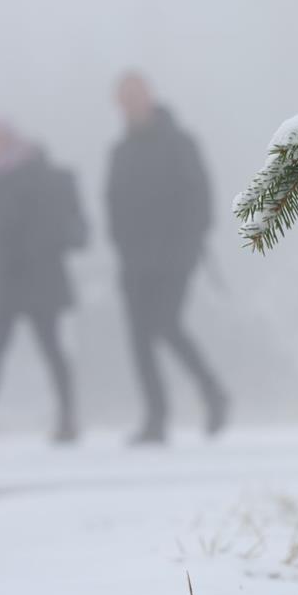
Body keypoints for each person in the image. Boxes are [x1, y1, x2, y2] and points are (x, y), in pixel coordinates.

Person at [0, 120, 88, 444]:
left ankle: (67, 417)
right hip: (1, 282)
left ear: (10, 140)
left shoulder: (38, 173)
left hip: (38, 279)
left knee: (51, 348)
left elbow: (53, 224)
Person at [107, 72, 228, 444]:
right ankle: (156, 418)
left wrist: (188, 245)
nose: (130, 103)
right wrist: (122, 247)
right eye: (123, 97)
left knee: (165, 324)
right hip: (134, 260)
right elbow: (112, 204)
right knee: (140, 339)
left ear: (149, 97)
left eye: (135, 95)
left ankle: (212, 392)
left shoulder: (179, 142)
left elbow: (200, 197)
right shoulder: (121, 151)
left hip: (175, 255)